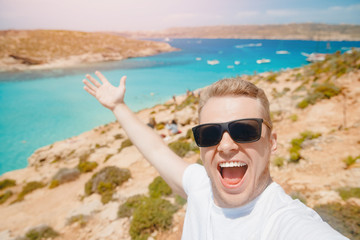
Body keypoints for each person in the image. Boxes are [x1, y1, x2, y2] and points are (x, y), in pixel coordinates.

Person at [82, 71, 348, 240]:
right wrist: (118, 107)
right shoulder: (201, 187)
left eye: (244, 130)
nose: (226, 146)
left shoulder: (285, 224)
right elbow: (156, 150)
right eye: (210, 133)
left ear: (272, 142)